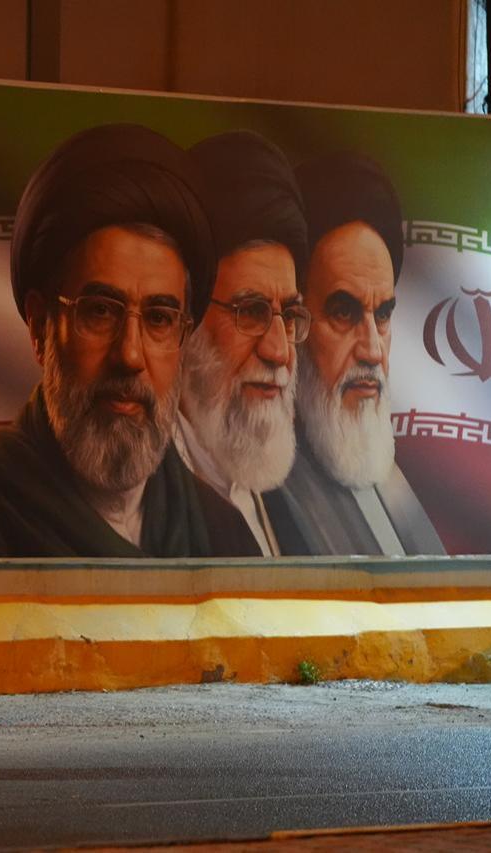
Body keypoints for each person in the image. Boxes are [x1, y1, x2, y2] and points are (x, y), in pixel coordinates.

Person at [0, 124, 259, 558]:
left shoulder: (221, 535)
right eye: (100, 311)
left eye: (159, 319)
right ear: (40, 326)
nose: (129, 355)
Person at [267, 153, 445, 556]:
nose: (372, 350)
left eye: (382, 315)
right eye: (343, 312)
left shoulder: (383, 470)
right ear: (291, 321)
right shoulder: (256, 495)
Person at [176, 131, 310, 556]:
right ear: (188, 320)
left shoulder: (288, 501)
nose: (279, 351)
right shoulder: (143, 503)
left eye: (289, 317)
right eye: (250, 312)